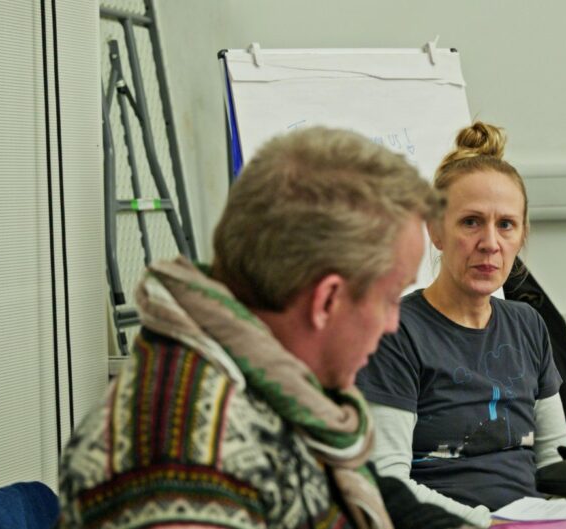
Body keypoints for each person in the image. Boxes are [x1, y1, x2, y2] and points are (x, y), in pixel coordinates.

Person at [57, 127, 472, 529]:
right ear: (327, 301)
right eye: (388, 297)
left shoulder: (276, 379)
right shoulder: (182, 457)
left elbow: (369, 494)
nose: (392, 324)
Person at [355, 122, 566, 527]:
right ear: (436, 230)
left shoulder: (528, 325)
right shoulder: (396, 332)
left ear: (522, 234)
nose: (490, 242)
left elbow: (555, 465)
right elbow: (388, 483)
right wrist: (491, 525)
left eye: (506, 224)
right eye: (471, 222)